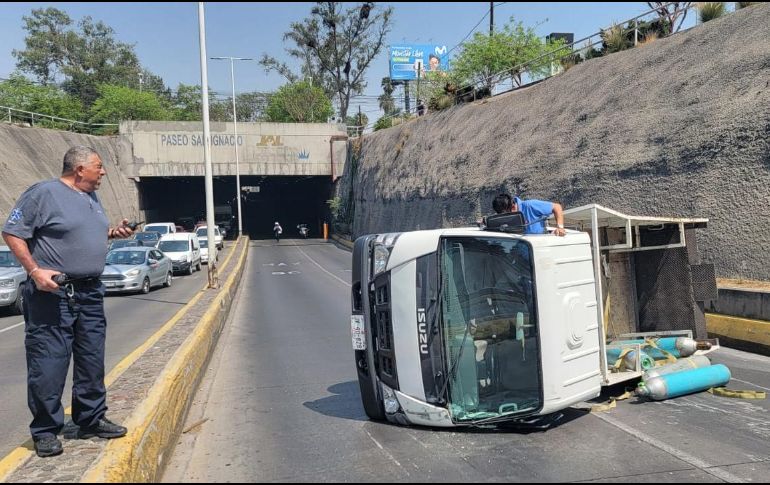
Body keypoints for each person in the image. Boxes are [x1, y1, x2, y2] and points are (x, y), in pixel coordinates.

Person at [1, 146, 135, 458]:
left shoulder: (91, 197)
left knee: (91, 360)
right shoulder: (43, 193)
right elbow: (12, 232)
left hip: (90, 293)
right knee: (48, 363)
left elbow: (79, 236)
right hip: (53, 294)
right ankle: (46, 430)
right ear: (79, 169)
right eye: (98, 166)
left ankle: (90, 419)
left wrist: (113, 233)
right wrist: (34, 271)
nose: (103, 172)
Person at [492, 193, 566, 236]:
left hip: (538, 245)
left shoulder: (530, 205)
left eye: (507, 214)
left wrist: (560, 227)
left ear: (513, 207)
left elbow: (557, 207)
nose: (506, 217)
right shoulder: (506, 214)